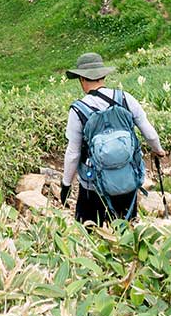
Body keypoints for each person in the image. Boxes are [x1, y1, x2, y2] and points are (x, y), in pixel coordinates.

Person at [58, 52, 163, 224]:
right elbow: (150, 133)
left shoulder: (78, 110)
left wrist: (66, 184)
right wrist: (158, 150)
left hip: (93, 186)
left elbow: (73, 153)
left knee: (89, 235)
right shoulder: (125, 98)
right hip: (127, 180)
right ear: (103, 75)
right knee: (125, 231)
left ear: (82, 80)